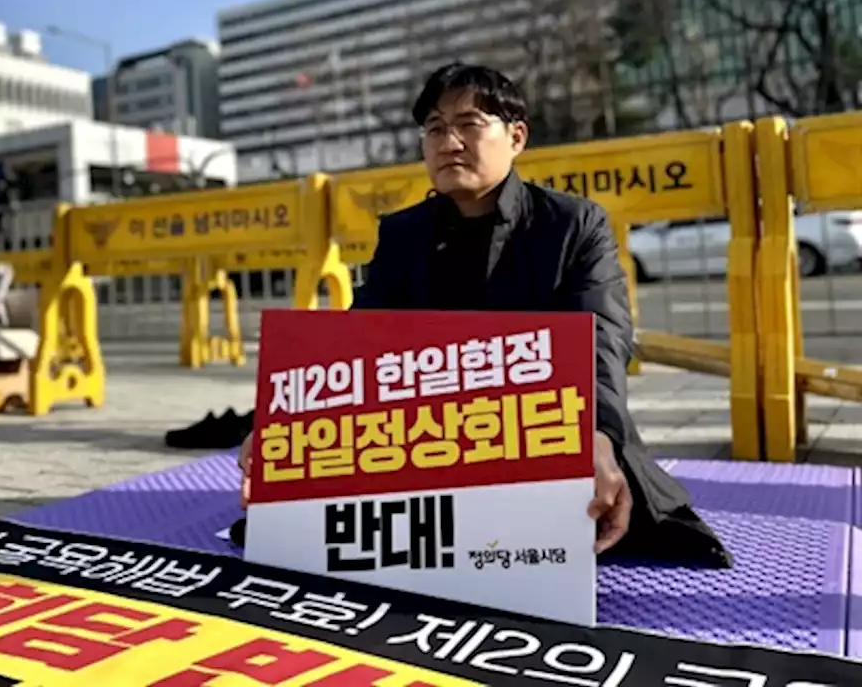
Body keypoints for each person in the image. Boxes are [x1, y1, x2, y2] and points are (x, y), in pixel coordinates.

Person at [237, 63, 732, 567]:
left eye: (469, 124)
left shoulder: (573, 225)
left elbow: (601, 339)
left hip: (550, 429)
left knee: (607, 511)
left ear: (516, 137)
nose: (448, 142)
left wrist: (598, 434)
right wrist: (283, 422)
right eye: (434, 128)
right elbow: (355, 342)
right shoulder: (403, 234)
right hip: (432, 440)